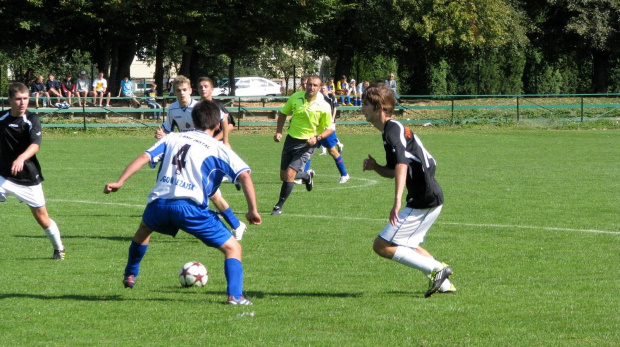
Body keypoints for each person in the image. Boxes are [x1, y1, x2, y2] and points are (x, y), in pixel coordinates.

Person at [104, 99, 261, 305]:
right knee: (233, 248)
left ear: (193, 121)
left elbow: (144, 157)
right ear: (217, 125)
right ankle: (236, 296)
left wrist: (120, 181)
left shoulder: (172, 138)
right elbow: (245, 175)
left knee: (144, 230)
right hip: (190, 209)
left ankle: (131, 274)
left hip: (159, 205)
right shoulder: (219, 148)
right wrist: (252, 210)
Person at [361, 83, 454, 298]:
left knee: (381, 245)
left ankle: (437, 269)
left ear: (380, 108)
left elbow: (402, 165)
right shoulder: (390, 132)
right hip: (430, 196)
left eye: (366, 104)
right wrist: (377, 168)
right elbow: (395, 170)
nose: (362, 108)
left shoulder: (393, 130)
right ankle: (445, 285)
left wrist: (397, 201)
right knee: (408, 245)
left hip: (422, 198)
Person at [156, 75, 246, 240]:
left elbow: (224, 118)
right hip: (186, 155)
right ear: (174, 92)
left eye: (185, 90)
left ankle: (231, 222)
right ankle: (234, 223)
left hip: (202, 153)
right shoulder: (172, 109)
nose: (182, 93)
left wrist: (225, 141)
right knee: (209, 192)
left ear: (191, 90)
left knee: (207, 192)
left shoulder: (200, 107)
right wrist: (162, 134)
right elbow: (168, 130)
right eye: (178, 91)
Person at [0, 83, 66, 260]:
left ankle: (59, 249)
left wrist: (21, 158)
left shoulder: (32, 120)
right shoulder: (2, 118)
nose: (23, 103)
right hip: (3, 175)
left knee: (42, 218)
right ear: (10, 100)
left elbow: (35, 145)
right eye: (18, 99)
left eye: (25, 99)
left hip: (27, 178)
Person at [271, 75, 333, 215]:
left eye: (315, 85)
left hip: (307, 144)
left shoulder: (324, 106)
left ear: (319, 87)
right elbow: (283, 113)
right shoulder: (295, 97)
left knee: (289, 174)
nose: (311, 87)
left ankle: (278, 206)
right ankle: (306, 176)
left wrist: (317, 138)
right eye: (309, 84)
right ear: (305, 85)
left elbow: (329, 128)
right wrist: (279, 132)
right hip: (291, 140)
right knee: (283, 176)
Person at [304, 84, 349, 183]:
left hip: (325, 130)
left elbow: (327, 116)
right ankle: (305, 176)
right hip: (315, 130)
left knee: (332, 151)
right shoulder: (308, 101)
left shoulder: (322, 102)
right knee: (308, 151)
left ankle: (344, 174)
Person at [197, 76, 233, 146]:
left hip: (216, 143)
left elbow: (230, 125)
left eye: (206, 86)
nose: (203, 89)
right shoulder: (196, 106)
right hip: (200, 143)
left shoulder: (217, 105)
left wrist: (214, 140)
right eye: (200, 87)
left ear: (212, 89)